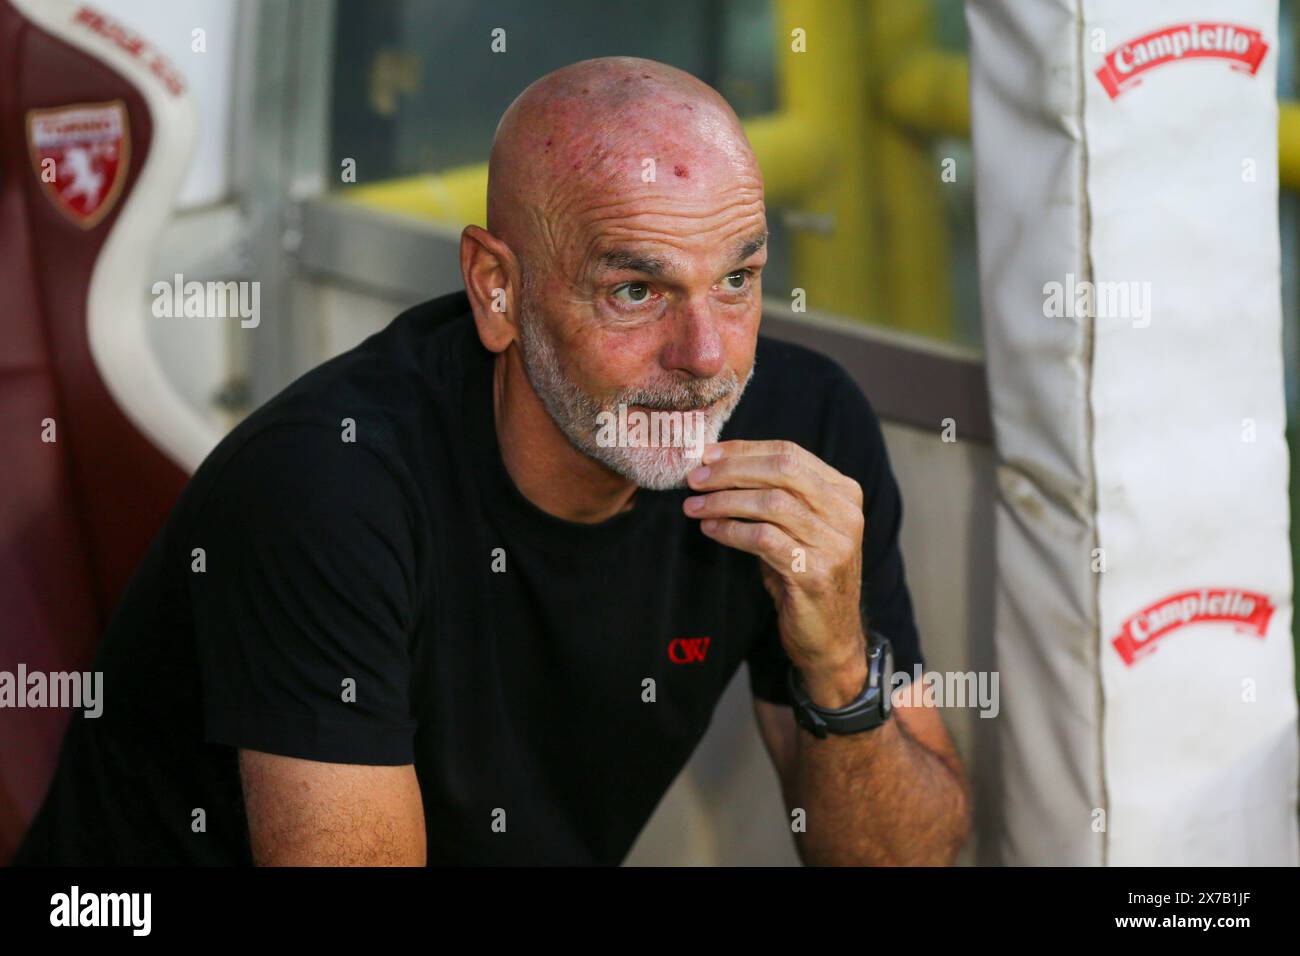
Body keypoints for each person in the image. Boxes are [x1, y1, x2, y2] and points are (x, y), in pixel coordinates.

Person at [14, 56, 970, 866]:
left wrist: (839, 664)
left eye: (737, 280)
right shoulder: (329, 488)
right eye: (636, 290)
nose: (708, 359)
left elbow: (913, 857)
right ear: (497, 289)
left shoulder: (806, 429)